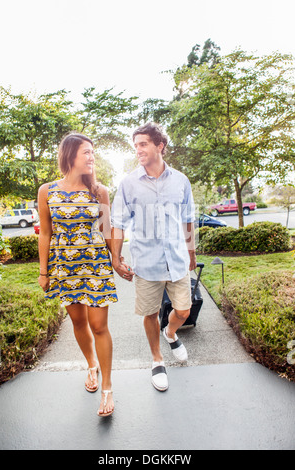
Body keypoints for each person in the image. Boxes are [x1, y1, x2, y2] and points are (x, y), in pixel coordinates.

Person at [111, 122, 196, 392]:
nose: (138, 150)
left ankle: (170, 332)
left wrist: (191, 252)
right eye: (135, 145)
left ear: (160, 145)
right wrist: (116, 257)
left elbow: (188, 220)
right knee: (149, 313)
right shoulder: (128, 183)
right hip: (146, 263)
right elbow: (117, 223)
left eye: (143, 144)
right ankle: (157, 359)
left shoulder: (181, 180)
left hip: (177, 260)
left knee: (182, 311)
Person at [37, 132, 117, 417]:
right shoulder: (47, 191)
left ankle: (107, 387)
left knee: (99, 326)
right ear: (70, 155)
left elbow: (108, 230)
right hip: (64, 268)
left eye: (93, 152)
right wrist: (43, 271)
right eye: (86, 152)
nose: (91, 157)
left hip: (95, 265)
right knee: (79, 322)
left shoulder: (99, 191)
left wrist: (117, 261)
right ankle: (91, 366)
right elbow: (45, 232)